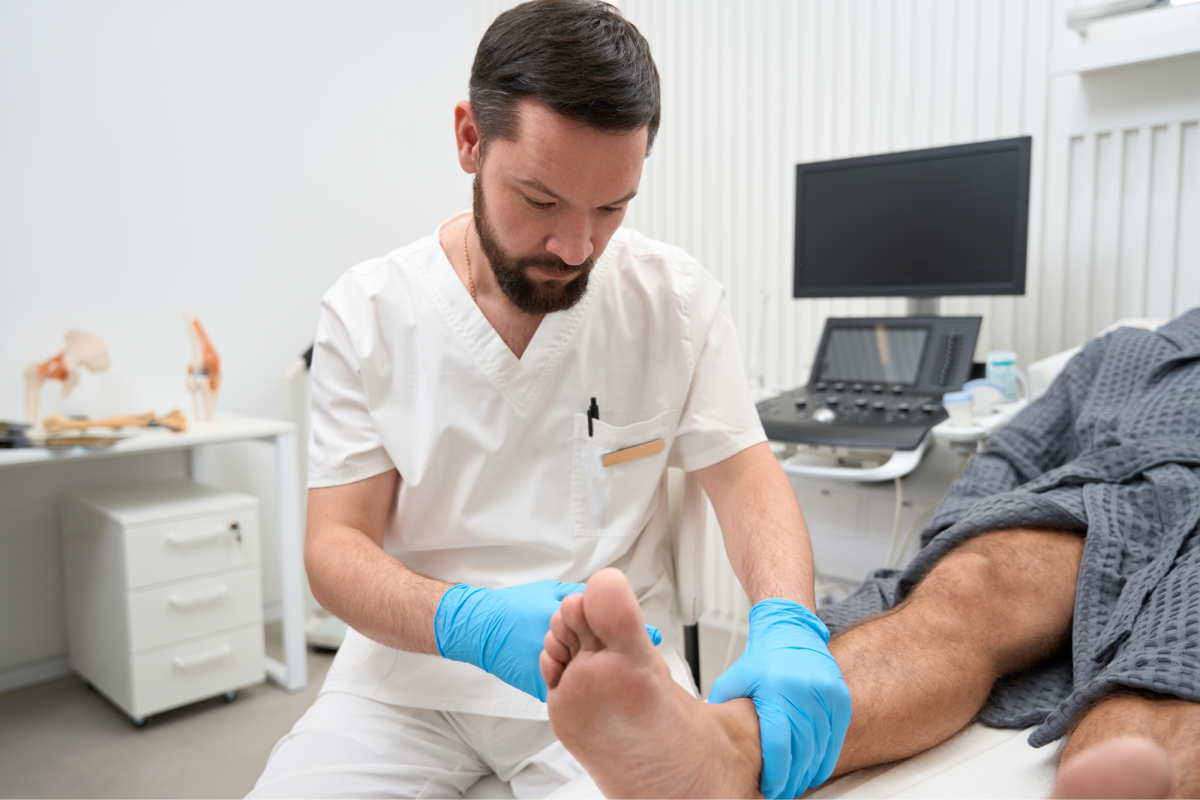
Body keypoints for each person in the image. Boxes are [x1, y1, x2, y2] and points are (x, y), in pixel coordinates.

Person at [247, 2, 849, 798]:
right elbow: (335, 549)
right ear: (469, 139)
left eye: (611, 208)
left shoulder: (674, 301)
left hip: (609, 672)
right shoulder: (369, 313)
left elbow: (745, 479)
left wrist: (789, 622)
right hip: (407, 680)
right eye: (540, 201)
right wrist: (466, 621)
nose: (576, 247)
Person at [538, 309, 1200, 800]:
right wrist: (948, 545)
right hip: (1103, 501)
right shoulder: (1126, 351)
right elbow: (1013, 456)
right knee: (972, 582)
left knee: (1171, 660)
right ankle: (722, 753)